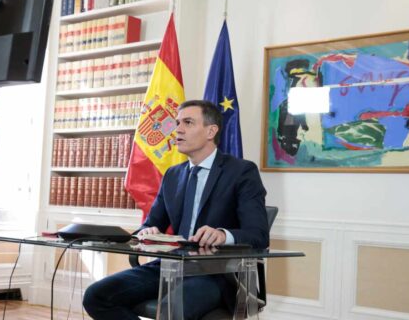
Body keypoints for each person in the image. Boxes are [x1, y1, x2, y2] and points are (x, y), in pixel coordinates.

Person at [83, 100, 269, 320]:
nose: (177, 130)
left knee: (170, 309)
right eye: (177, 123)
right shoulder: (172, 175)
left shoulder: (241, 172)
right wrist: (147, 232)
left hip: (216, 274)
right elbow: (152, 223)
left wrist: (223, 234)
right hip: (170, 267)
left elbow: (258, 235)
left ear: (211, 131)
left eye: (188, 123)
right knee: (96, 296)